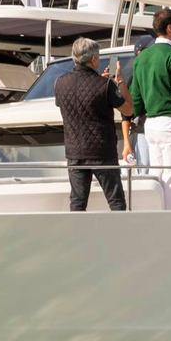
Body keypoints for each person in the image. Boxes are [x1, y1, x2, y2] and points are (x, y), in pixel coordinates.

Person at [128, 9, 171, 209]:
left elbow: (136, 99)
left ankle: (155, 224)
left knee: (156, 180)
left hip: (151, 126)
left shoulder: (141, 58)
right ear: (170, 27)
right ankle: (169, 228)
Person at [56, 37, 134, 211]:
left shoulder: (60, 83)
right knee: (116, 202)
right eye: (98, 57)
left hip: (74, 151)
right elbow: (128, 110)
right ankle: (122, 237)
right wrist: (119, 82)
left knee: (77, 202)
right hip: (102, 151)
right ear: (93, 60)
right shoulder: (105, 85)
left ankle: (77, 237)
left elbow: (79, 99)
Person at [119, 34, 156, 173]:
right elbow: (126, 115)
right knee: (145, 173)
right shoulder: (133, 79)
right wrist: (127, 144)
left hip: (158, 130)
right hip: (141, 132)